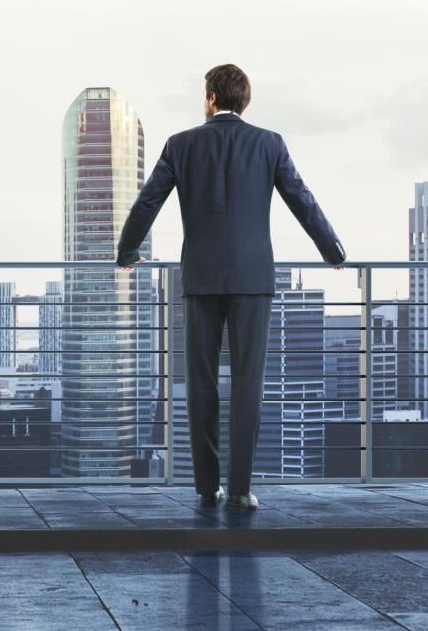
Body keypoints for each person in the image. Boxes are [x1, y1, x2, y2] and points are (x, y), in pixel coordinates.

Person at [115, 63, 345, 513]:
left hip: (200, 278)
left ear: (211, 99)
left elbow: (148, 201)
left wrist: (126, 252)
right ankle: (239, 489)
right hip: (253, 279)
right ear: (244, 100)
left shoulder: (180, 145)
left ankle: (206, 487)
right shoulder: (269, 144)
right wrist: (332, 251)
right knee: (248, 384)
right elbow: (302, 198)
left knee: (201, 383)